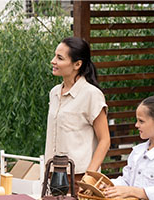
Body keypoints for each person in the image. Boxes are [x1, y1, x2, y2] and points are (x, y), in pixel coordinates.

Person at [44, 37, 111, 191]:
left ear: (77, 64)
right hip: (53, 175)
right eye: (55, 56)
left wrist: (89, 176)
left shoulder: (91, 94)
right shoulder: (54, 93)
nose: (53, 61)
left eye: (60, 58)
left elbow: (105, 140)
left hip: (78, 178)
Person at [103, 94, 154, 199]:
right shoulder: (137, 151)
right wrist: (107, 185)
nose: (136, 125)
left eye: (141, 121)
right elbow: (126, 181)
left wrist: (133, 191)